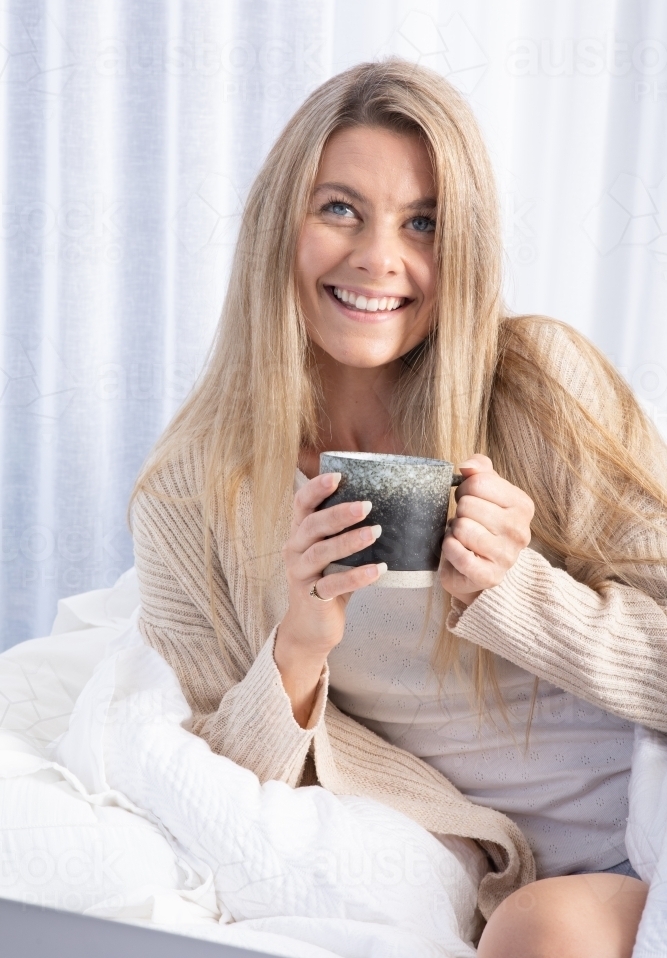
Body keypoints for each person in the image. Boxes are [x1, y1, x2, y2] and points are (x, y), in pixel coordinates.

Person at [131, 60, 666, 956]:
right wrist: (299, 643)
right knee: (538, 926)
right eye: (339, 208)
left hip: (647, 802)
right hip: (531, 877)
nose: (379, 257)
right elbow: (220, 787)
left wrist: (521, 595)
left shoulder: (536, 386)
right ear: (279, 224)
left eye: (424, 223)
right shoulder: (192, 494)